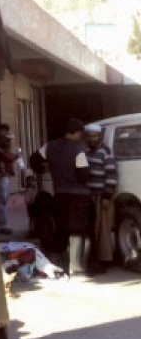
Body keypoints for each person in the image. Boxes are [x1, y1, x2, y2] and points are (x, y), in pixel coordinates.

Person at [35, 118, 91, 276]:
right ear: (77, 132)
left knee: (61, 230)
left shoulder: (50, 146)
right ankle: (76, 268)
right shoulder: (78, 150)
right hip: (79, 196)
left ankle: (60, 266)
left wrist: (45, 168)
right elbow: (83, 175)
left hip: (59, 193)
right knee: (78, 232)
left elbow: (34, 160)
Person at [83, 123, 117, 272]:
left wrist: (107, 196)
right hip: (89, 196)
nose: (92, 139)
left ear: (100, 137)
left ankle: (106, 261)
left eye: (95, 136)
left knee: (103, 230)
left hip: (102, 196)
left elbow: (112, 174)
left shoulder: (105, 152)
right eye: (89, 136)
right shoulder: (85, 152)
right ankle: (96, 259)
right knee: (93, 230)